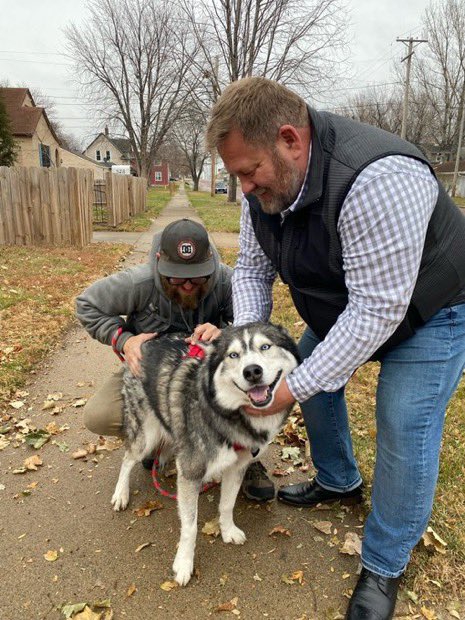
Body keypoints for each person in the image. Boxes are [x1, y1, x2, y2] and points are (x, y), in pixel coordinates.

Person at [205, 77, 465, 619]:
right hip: (349, 305)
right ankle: (339, 479)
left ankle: (386, 562)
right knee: (311, 386)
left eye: (249, 172)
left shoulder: (378, 178)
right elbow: (252, 269)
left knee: (401, 421)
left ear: (289, 139)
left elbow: (379, 311)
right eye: (238, 177)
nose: (245, 188)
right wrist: (251, 355)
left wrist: (291, 386)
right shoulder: (262, 195)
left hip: (433, 308)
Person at [76, 218, 275, 502]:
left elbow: (256, 329)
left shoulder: (227, 280)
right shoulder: (137, 282)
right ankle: (158, 442)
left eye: (197, 277)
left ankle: (249, 461)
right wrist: (124, 340)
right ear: (159, 261)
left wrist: (226, 334)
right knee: (99, 416)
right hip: (153, 374)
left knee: (255, 390)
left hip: (208, 375)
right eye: (177, 278)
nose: (188, 285)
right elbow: (86, 304)